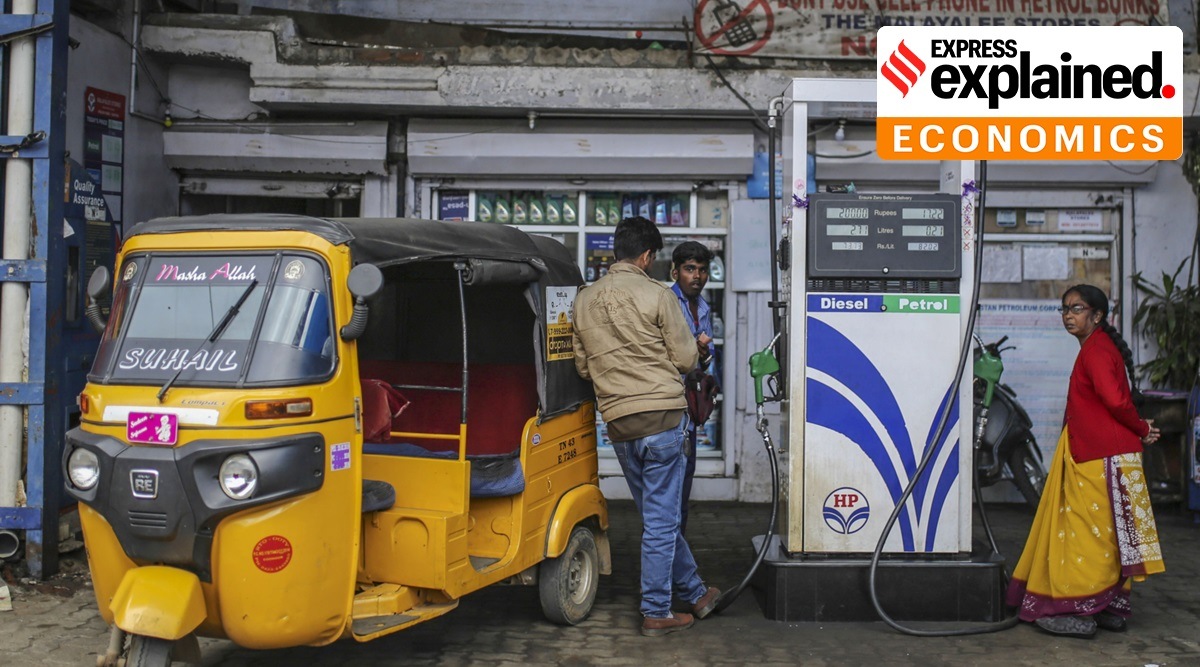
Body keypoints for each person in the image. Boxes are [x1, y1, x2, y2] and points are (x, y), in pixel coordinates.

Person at [572, 216, 720, 637]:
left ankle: (695, 592)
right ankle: (656, 609)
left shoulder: (584, 300)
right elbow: (687, 359)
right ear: (648, 256)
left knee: (658, 515)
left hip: (619, 424)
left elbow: (583, 367)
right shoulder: (657, 294)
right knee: (660, 520)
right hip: (663, 418)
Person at [1006, 284, 1164, 638]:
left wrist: (1139, 427)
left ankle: (1068, 606)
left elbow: (1115, 402)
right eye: (1064, 309)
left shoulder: (1095, 351)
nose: (1068, 315)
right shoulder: (1099, 348)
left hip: (1100, 459)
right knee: (1109, 537)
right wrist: (1140, 429)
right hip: (1111, 456)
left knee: (1083, 537)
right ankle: (1102, 604)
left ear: (1097, 316)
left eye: (1077, 309)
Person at [670, 241, 716, 534]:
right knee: (668, 495)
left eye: (701, 270)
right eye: (689, 269)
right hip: (669, 407)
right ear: (675, 272)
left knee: (684, 488)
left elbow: (709, 359)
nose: (697, 276)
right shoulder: (666, 303)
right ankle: (666, 565)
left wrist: (705, 356)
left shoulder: (704, 307)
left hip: (691, 409)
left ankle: (676, 563)